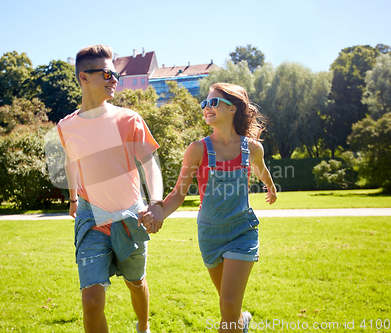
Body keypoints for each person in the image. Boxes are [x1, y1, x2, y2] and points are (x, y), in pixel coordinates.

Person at [148, 82, 277, 332]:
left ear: (233, 109)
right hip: (209, 233)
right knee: (230, 306)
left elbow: (261, 171)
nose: (207, 107)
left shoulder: (252, 149)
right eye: (204, 103)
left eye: (213, 102)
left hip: (242, 230)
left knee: (228, 305)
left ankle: (238, 319)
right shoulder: (197, 150)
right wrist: (158, 210)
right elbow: (178, 193)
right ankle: (242, 321)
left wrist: (270, 187)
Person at [57, 44, 164, 333]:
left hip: (130, 216)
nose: (114, 79)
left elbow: (150, 164)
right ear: (84, 77)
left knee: (135, 282)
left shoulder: (128, 119)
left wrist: (155, 202)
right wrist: (73, 199)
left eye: (115, 74)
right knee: (91, 300)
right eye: (106, 73)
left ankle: (143, 327)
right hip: (91, 218)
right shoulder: (66, 126)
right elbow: (70, 162)